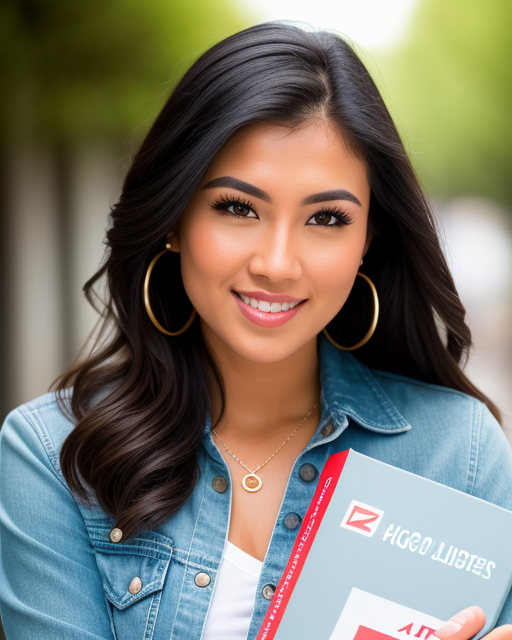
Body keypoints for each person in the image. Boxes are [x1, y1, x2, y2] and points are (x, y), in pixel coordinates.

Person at [0, 20, 511, 640]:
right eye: (238, 208)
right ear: (173, 217)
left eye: (326, 218)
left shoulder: (459, 455)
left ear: (367, 240)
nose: (276, 263)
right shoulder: (57, 456)